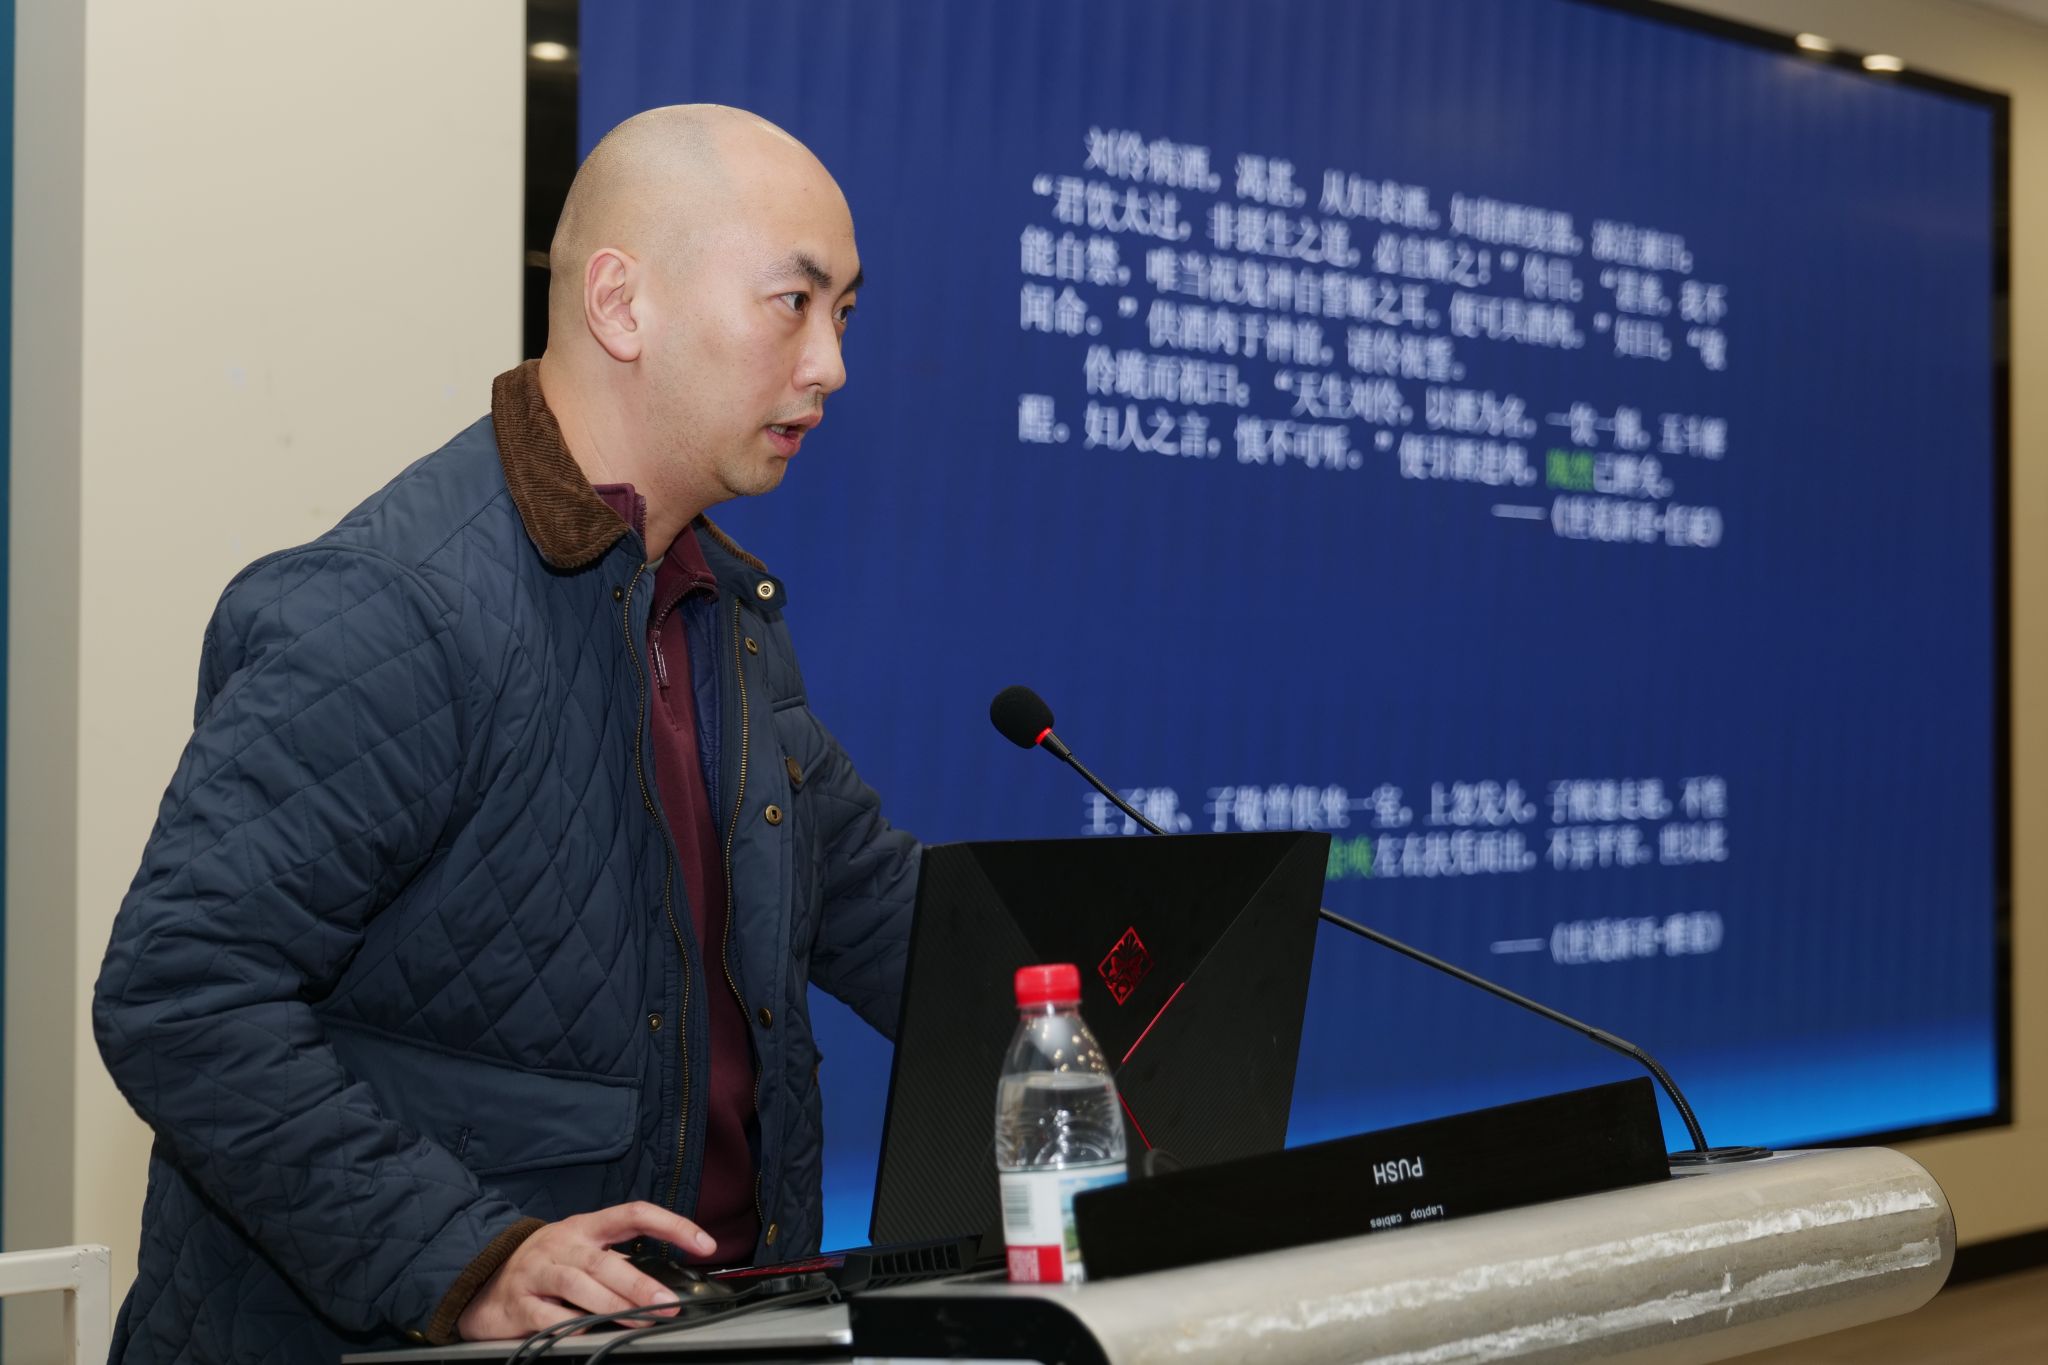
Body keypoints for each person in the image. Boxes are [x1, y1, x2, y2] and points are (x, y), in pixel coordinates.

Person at [92, 104, 919, 1362]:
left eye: (843, 315)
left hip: (681, 1334)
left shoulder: (719, 611)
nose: (830, 365)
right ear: (620, 304)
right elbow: (179, 994)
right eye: (792, 304)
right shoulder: (394, 606)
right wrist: (459, 1256)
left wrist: (1134, 1001)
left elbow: (885, 912)